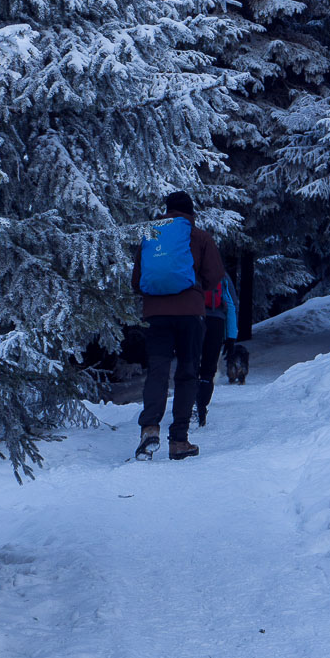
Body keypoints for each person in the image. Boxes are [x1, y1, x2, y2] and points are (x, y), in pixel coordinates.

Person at [133, 191, 224, 461]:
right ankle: (179, 440)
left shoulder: (152, 234)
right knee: (187, 372)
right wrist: (195, 291)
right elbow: (215, 274)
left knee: (158, 371)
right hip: (190, 314)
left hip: (156, 314)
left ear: (167, 210)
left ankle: (149, 427)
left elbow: (137, 280)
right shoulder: (199, 236)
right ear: (191, 212)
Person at [196, 272, 239, 426]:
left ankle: (187, 405)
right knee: (208, 368)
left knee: (190, 363)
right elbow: (232, 304)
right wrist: (231, 336)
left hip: (193, 319)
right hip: (217, 322)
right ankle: (200, 408)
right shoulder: (220, 273)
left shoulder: (187, 265)